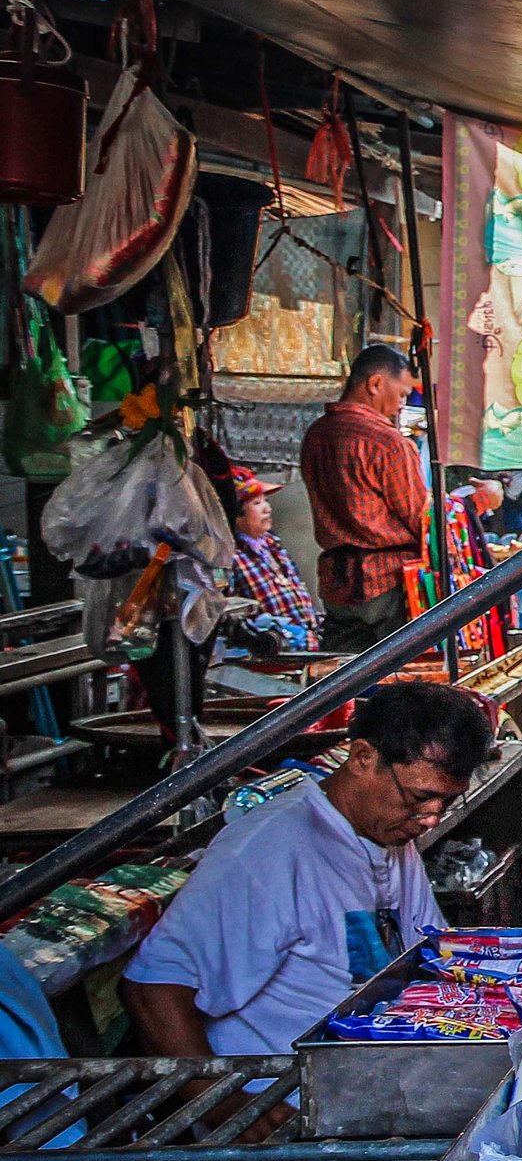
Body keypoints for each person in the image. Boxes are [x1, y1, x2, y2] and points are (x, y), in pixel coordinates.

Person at [122, 682, 493, 1054]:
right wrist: (229, 1107)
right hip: (282, 1091)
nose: (431, 819)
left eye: (447, 802)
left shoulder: (390, 836)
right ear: (363, 757)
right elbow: (154, 988)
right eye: (420, 798)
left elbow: (430, 953)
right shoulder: (269, 849)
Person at [301, 343, 427, 652]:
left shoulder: (316, 434)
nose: (402, 405)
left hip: (336, 585)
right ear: (375, 384)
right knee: (399, 682)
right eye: (401, 395)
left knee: (343, 685)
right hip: (388, 582)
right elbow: (420, 519)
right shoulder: (388, 443)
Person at [227, 468, 322, 651]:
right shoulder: (231, 557)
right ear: (237, 514)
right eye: (256, 503)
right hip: (275, 650)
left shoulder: (272, 545)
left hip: (309, 642)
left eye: (266, 501)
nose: (267, 509)